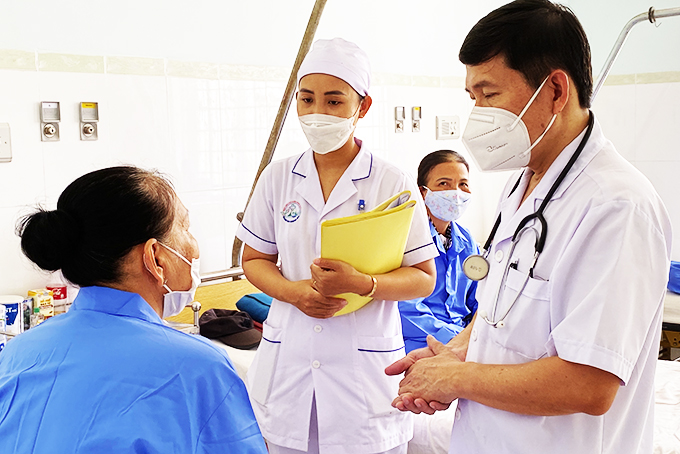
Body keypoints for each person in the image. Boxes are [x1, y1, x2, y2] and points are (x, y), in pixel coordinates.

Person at [386, 1, 672, 453]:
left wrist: (459, 377)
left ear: (555, 90)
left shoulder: (616, 207)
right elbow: (503, 310)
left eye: (489, 94)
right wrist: (460, 349)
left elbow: (590, 384)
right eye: (472, 98)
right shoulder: (522, 185)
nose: (476, 115)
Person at [236, 38, 438, 454]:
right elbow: (253, 259)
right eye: (306, 100)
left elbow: (423, 278)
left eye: (333, 101)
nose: (317, 113)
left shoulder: (391, 181)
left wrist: (365, 284)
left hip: (362, 380)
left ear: (361, 108)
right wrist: (293, 293)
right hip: (287, 368)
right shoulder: (278, 178)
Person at [0, 166, 267, 453]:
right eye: (185, 228)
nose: (193, 245)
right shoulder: (198, 368)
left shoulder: (19, 352)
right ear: (155, 257)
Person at [399, 150, 478, 353]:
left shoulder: (467, 242)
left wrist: (473, 338)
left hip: (467, 344)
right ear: (423, 192)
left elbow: (481, 299)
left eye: (463, 184)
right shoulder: (407, 239)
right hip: (421, 345)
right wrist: (455, 340)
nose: (456, 192)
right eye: (444, 184)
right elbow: (406, 309)